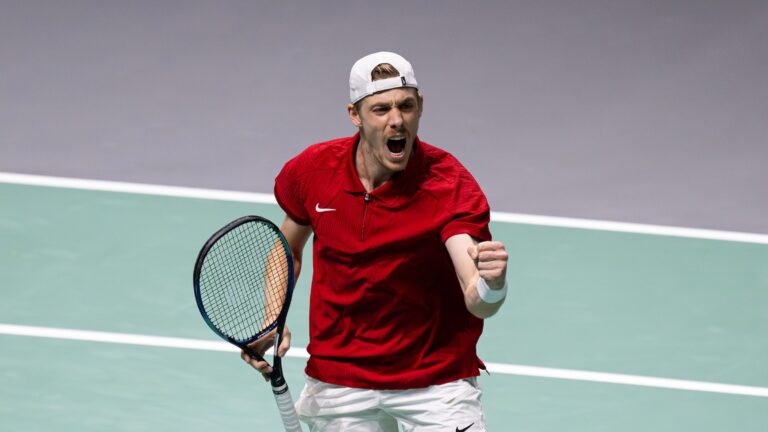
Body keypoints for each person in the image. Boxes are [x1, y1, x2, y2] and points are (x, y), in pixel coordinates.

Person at [242, 51, 509, 432]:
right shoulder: (314, 172)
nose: (396, 120)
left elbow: (475, 297)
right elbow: (288, 248)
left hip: (434, 380)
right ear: (355, 115)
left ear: (420, 107)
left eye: (406, 106)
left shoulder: (448, 185)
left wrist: (493, 285)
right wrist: (273, 316)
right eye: (381, 109)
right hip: (341, 377)